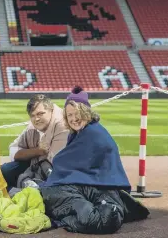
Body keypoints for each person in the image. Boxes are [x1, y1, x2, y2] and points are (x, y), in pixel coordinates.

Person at [40, 86, 149, 234]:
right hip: (96, 185)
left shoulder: (93, 134)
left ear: (85, 111)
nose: (73, 118)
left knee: (53, 194)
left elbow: (64, 162)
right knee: (53, 192)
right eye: (69, 115)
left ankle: (67, 220)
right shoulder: (80, 133)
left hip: (102, 186)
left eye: (76, 113)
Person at [0, 94, 68, 190]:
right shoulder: (32, 126)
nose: (36, 119)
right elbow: (13, 150)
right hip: (34, 165)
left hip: (57, 171)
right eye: (33, 115)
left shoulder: (62, 125)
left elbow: (56, 161)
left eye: (40, 114)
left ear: (51, 110)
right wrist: (37, 151)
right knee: (5, 170)